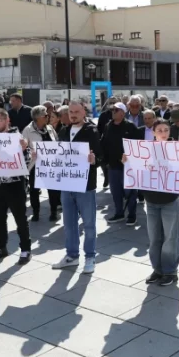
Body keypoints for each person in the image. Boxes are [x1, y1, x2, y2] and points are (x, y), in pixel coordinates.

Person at [123, 119, 179, 286]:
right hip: (151, 201)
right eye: (159, 130)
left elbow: (178, 173)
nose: (163, 133)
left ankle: (170, 271)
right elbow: (138, 169)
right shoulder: (144, 150)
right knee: (154, 238)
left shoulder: (176, 150)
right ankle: (157, 269)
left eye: (166, 130)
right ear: (153, 132)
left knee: (170, 238)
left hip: (169, 201)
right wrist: (128, 161)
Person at [52, 99, 101, 274]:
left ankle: (90, 256)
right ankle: (71, 256)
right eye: (70, 112)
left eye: (76, 112)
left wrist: (94, 160)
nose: (73, 115)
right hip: (66, 183)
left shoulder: (91, 131)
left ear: (84, 113)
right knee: (69, 222)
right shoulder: (64, 130)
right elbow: (57, 154)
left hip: (86, 185)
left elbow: (100, 155)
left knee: (89, 223)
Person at [0, 108, 33, 265]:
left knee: (20, 219)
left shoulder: (17, 138)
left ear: (7, 120)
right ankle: (0, 247)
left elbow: (26, 161)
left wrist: (24, 150)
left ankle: (25, 249)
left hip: (14, 184)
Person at [101, 102, 140, 224]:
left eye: (115, 110)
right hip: (112, 165)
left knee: (130, 192)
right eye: (112, 110)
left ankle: (132, 215)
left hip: (127, 166)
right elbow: (103, 143)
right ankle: (119, 213)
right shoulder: (108, 125)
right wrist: (105, 160)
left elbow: (137, 146)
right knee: (115, 191)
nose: (113, 112)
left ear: (122, 113)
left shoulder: (131, 126)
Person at [23, 105, 61, 222]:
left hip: (50, 164)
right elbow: (22, 148)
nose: (48, 116)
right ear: (38, 117)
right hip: (35, 165)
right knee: (34, 190)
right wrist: (31, 153)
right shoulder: (27, 130)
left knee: (53, 189)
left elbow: (57, 143)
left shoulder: (50, 128)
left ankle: (54, 211)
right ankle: (36, 213)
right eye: (45, 115)